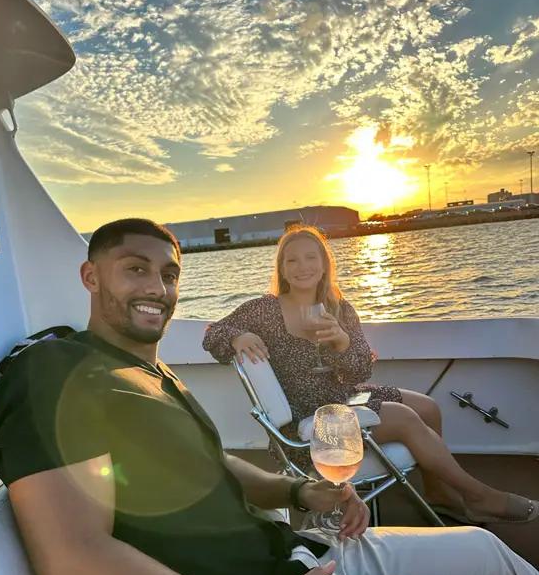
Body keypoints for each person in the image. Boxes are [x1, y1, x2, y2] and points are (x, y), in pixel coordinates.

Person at [0, 217, 539, 575]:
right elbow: (76, 572)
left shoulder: (146, 372)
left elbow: (209, 462)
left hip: (297, 558)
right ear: (90, 276)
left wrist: (297, 488)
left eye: (169, 274)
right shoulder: (52, 374)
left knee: (490, 553)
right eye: (135, 269)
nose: (157, 287)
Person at [203, 225, 539, 525]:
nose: (302, 267)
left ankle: (436, 493)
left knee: (430, 408)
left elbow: (361, 369)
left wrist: (342, 341)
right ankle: (481, 496)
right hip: (309, 416)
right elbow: (212, 332)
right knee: (406, 418)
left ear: (324, 265)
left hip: (343, 394)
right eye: (292, 260)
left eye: (310, 258)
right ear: (282, 269)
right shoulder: (263, 310)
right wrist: (238, 336)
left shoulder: (340, 308)